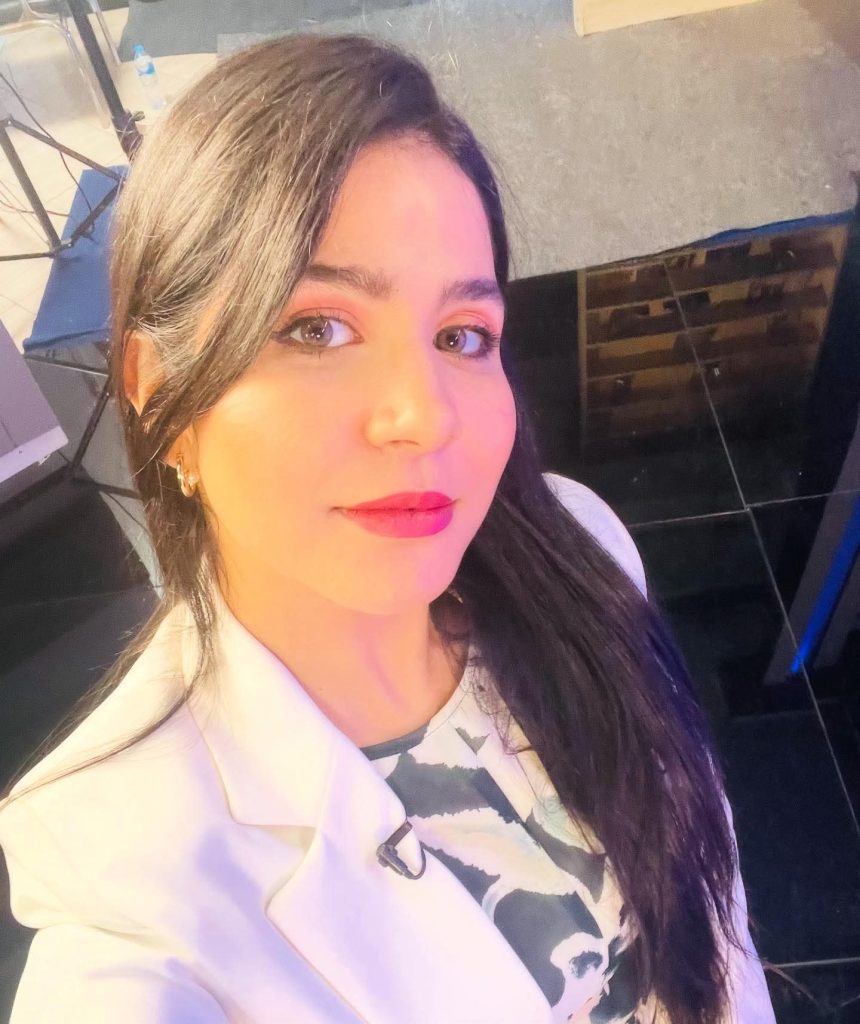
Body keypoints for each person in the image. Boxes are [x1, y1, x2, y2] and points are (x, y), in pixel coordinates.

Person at [0, 31, 778, 1024]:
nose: (425, 414)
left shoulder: (580, 549)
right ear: (161, 399)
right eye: (317, 328)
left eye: (462, 335)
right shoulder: (133, 894)